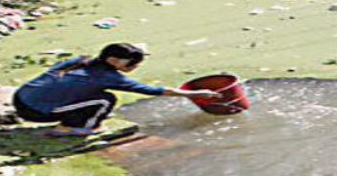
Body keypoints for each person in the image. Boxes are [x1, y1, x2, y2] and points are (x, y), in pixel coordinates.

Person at [13, 43, 219, 137]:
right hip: (36, 111)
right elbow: (154, 90)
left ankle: (76, 116)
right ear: (112, 60)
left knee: (92, 96)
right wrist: (193, 94)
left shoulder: (81, 60)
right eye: (131, 63)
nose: (134, 67)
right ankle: (77, 128)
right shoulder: (108, 77)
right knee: (105, 100)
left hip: (21, 98)